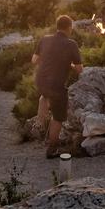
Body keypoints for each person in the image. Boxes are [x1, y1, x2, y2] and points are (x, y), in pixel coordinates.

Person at [33, 15, 83, 158]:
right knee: (58, 117)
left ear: (57, 26)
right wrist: (70, 65)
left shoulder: (44, 39)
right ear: (69, 28)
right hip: (56, 85)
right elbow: (79, 69)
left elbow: (34, 60)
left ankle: (39, 122)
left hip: (40, 81)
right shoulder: (71, 44)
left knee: (44, 95)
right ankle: (52, 149)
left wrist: (49, 59)